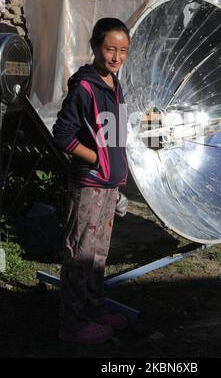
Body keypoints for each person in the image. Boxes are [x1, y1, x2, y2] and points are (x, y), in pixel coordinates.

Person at [53, 18, 130, 344]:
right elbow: (62, 135)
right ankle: (72, 323)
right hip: (88, 186)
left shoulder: (115, 84)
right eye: (110, 49)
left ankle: (95, 309)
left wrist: (117, 174)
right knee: (81, 255)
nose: (116, 57)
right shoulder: (84, 88)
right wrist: (97, 159)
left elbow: (113, 135)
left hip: (109, 186)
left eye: (123, 50)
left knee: (98, 255)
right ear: (96, 47)